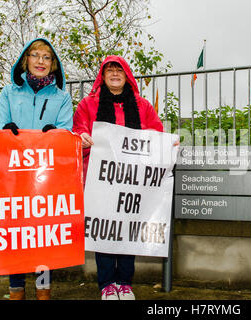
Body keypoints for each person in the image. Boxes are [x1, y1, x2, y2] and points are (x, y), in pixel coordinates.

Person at [72, 55, 164, 300]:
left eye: (119, 70)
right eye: (109, 70)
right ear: (102, 76)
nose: (114, 74)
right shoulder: (87, 105)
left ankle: (124, 282)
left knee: (127, 229)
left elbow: (157, 132)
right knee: (104, 231)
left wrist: (167, 143)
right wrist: (81, 137)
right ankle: (106, 284)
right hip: (99, 178)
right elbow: (78, 130)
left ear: (127, 76)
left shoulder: (143, 105)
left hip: (133, 179)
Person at [0, 38, 73, 300]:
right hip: (13, 176)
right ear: (25, 60)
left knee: (43, 236)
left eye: (47, 57)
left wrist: (57, 134)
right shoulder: (9, 92)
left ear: (54, 65)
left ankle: (43, 289)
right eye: (35, 55)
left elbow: (67, 132)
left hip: (46, 179)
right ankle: (16, 290)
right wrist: (4, 131)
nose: (40, 61)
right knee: (17, 234)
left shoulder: (62, 97)